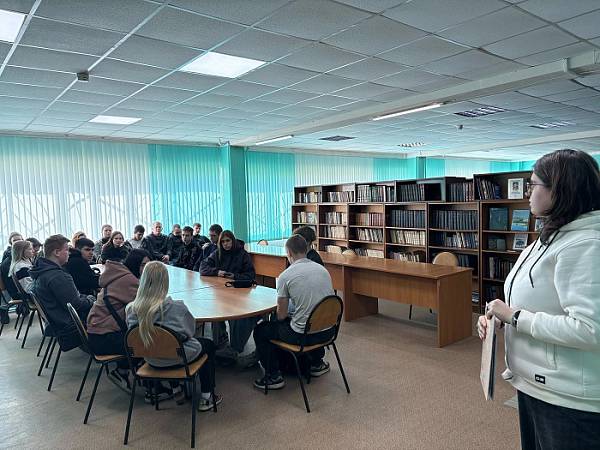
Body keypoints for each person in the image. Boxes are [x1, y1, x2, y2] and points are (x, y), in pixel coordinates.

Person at [478, 149, 600, 450]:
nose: (527, 192)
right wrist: (500, 319)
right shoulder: (550, 236)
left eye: (533, 184)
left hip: (569, 398)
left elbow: (591, 329)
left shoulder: (587, 245)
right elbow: (537, 301)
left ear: (560, 190)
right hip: (533, 383)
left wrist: (515, 317)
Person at [126, 261, 222, 410]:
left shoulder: (131, 310)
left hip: (151, 359)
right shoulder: (176, 307)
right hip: (178, 358)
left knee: (162, 344)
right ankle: (207, 396)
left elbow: (135, 336)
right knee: (208, 345)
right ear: (165, 282)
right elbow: (190, 332)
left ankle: (176, 389)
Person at [253, 234, 334, 390]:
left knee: (261, 330)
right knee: (307, 318)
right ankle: (317, 364)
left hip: (303, 336)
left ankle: (273, 376)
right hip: (328, 331)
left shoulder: (286, 276)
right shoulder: (323, 270)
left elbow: (281, 315)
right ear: (307, 249)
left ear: (289, 252)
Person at [87, 249, 151, 384]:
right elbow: (148, 306)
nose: (146, 269)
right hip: (104, 339)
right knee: (151, 341)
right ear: (134, 264)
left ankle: (125, 370)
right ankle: (149, 382)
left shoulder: (118, 274)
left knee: (144, 334)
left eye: (148, 265)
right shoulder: (129, 280)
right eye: (143, 265)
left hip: (97, 333)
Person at [200, 230, 257, 363]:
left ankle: (234, 347)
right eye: (223, 242)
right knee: (216, 310)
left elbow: (251, 275)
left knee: (235, 315)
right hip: (221, 291)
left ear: (233, 240)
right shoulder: (217, 253)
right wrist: (217, 272)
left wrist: (235, 276)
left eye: (228, 241)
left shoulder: (242, 254)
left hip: (239, 293)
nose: (226, 244)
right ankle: (220, 341)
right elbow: (203, 267)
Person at [30, 235, 94, 351]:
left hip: (60, 324)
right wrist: (92, 299)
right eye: (67, 250)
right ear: (57, 252)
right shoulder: (57, 276)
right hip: (71, 329)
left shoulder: (41, 271)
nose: (69, 253)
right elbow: (77, 304)